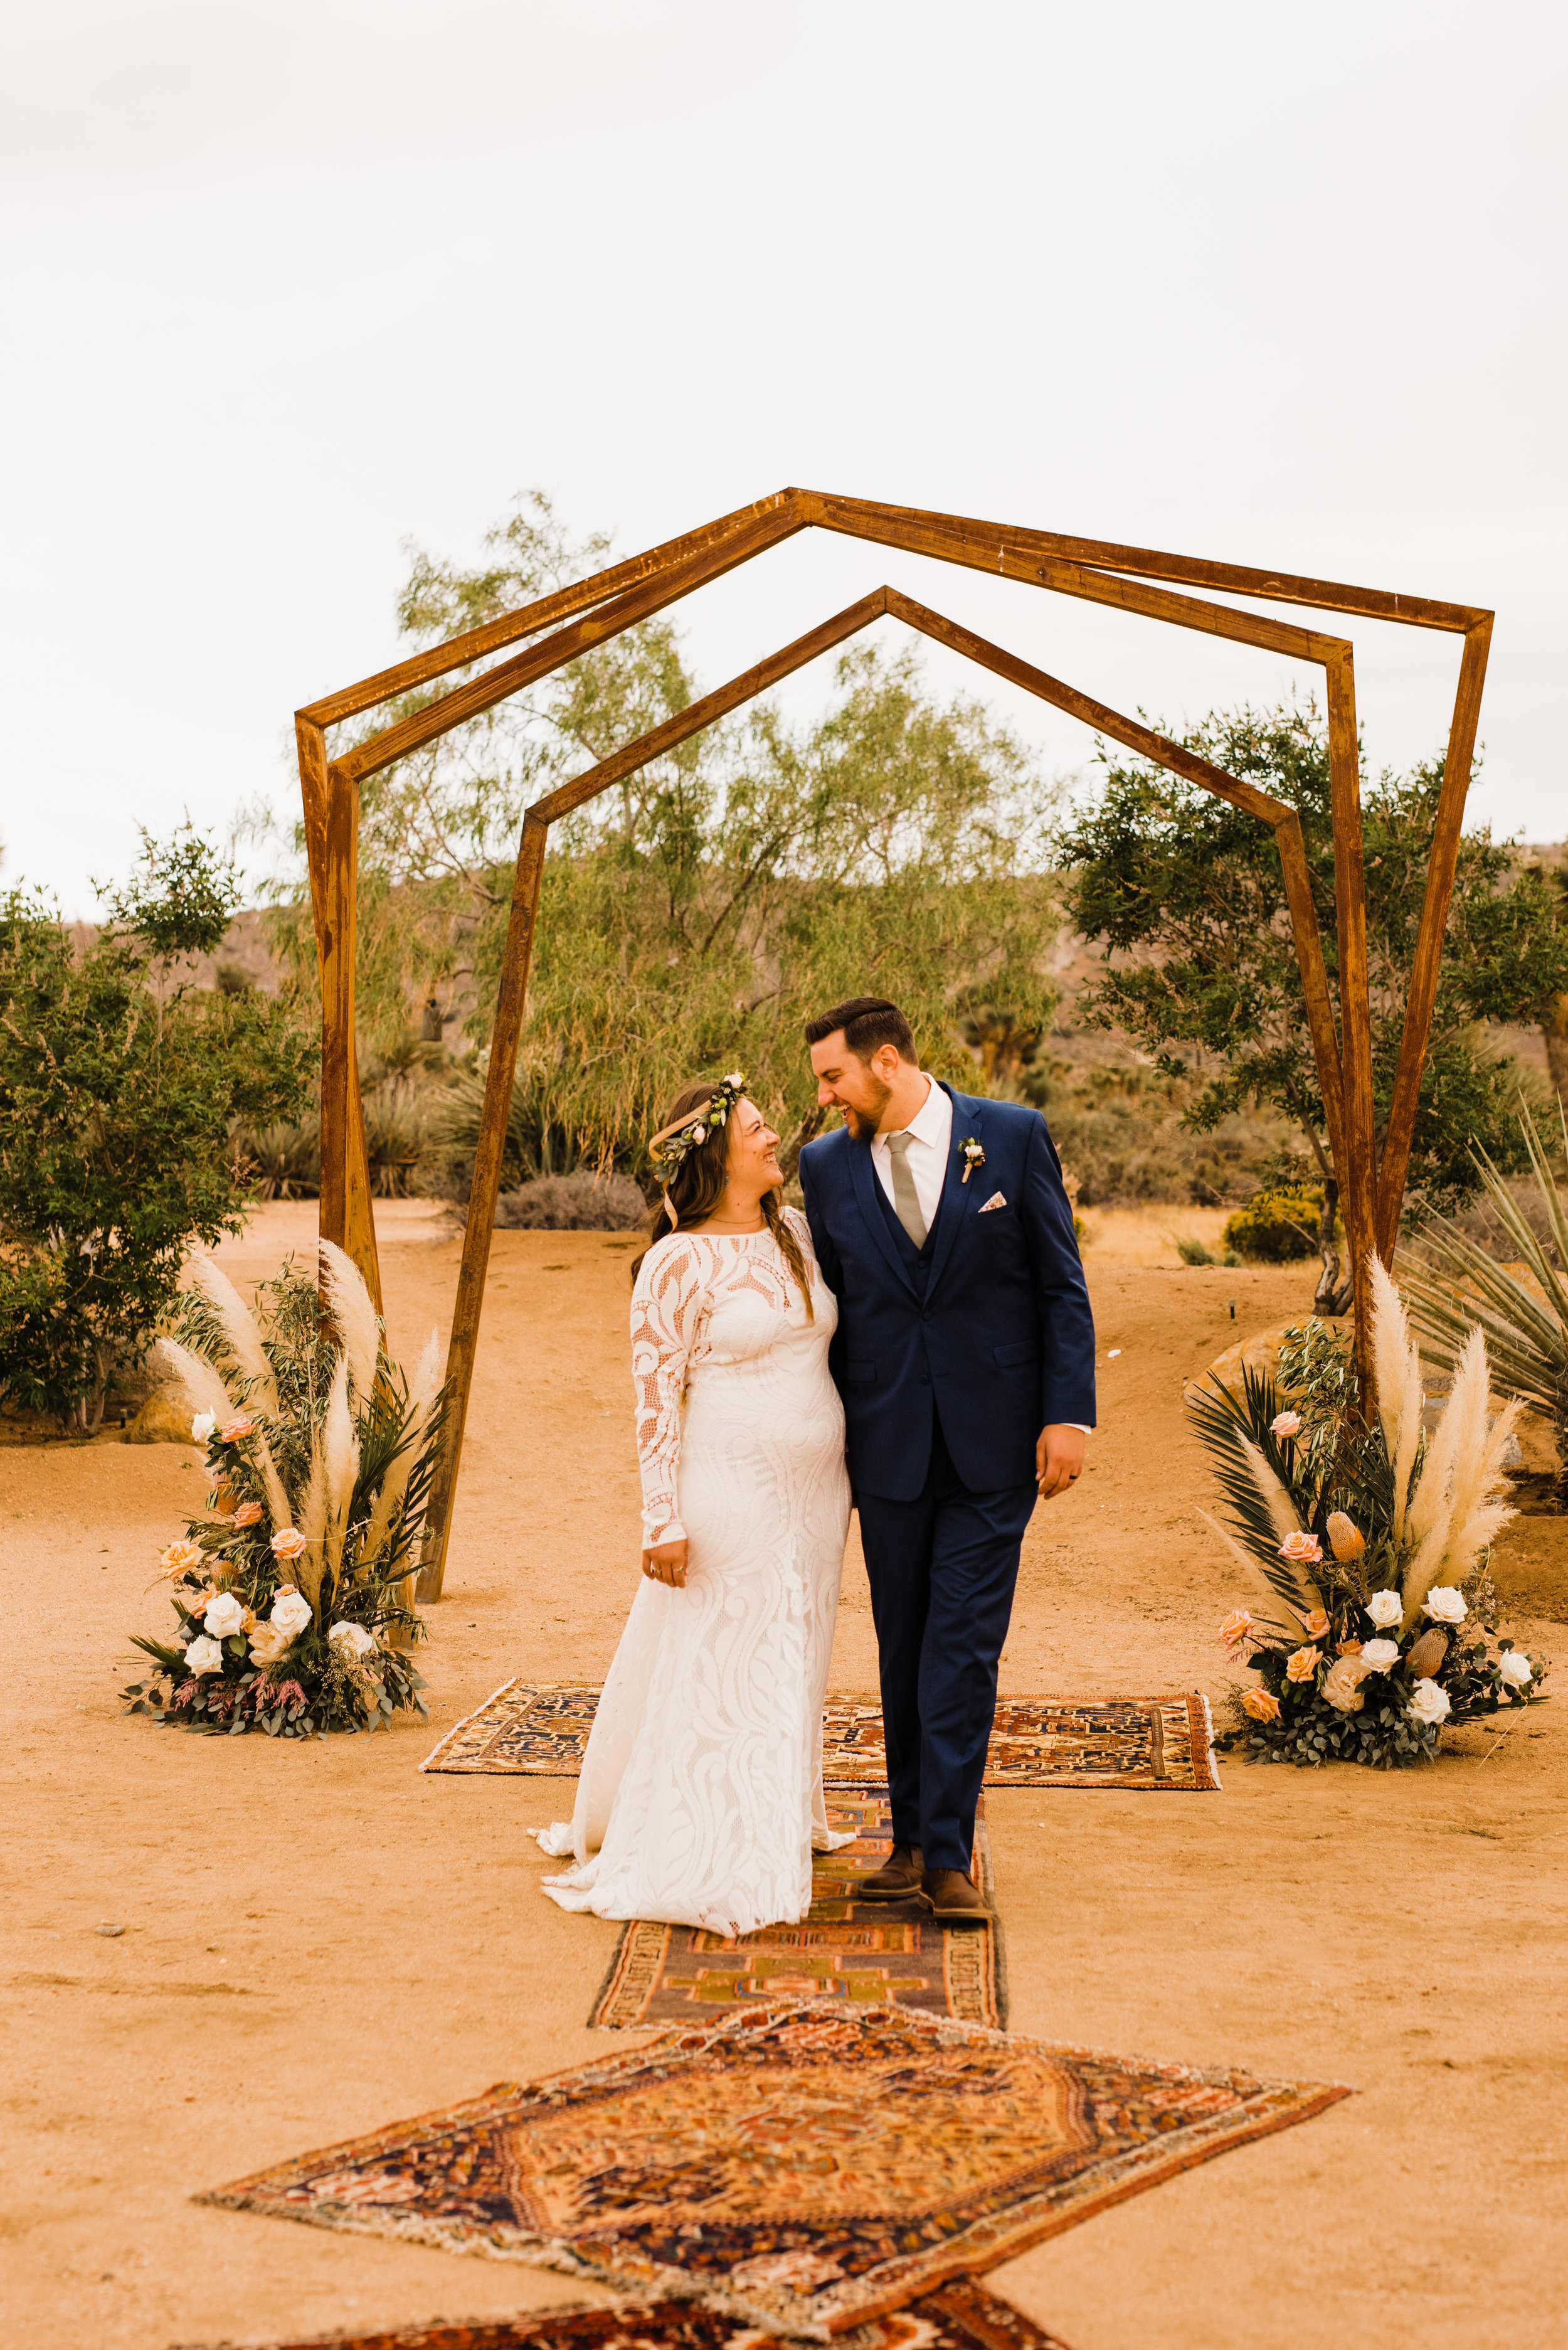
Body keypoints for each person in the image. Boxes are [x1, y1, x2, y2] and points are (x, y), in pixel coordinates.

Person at [534, 1072, 852, 1937]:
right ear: (716, 1150)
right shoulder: (677, 1262)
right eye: (755, 1127)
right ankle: (717, 1840)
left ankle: (784, 1806)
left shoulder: (794, 1233)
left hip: (820, 1497)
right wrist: (662, 1519)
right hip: (731, 1492)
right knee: (730, 1657)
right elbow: (652, 1398)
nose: (771, 1135)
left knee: (799, 1645)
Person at [799, 997, 1095, 1923]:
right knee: (904, 1645)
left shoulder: (1009, 1137)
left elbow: (1061, 1285)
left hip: (996, 1442)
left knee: (961, 1645)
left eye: (832, 1075)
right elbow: (831, 1309)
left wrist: (1068, 1415)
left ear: (887, 1061)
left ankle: (948, 1852)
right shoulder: (824, 1165)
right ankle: (907, 1840)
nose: (824, 1095)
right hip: (885, 1445)